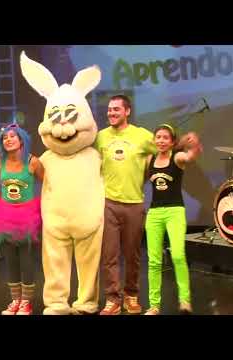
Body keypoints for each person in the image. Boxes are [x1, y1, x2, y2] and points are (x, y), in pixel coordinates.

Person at [94, 94, 157, 315]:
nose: (111, 113)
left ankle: (131, 296)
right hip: (109, 203)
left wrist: (147, 171)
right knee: (109, 255)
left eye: (116, 109)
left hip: (135, 203)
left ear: (127, 111)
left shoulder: (142, 136)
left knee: (133, 256)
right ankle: (112, 299)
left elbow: (163, 153)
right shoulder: (100, 136)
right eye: (109, 109)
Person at [144, 124, 202, 315]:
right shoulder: (149, 159)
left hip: (174, 212)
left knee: (177, 255)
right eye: (158, 137)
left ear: (172, 142)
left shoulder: (176, 158)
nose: (160, 140)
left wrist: (194, 144)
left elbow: (191, 155)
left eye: (165, 138)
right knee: (153, 261)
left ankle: (184, 301)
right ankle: (154, 305)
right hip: (154, 214)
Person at [0, 121, 44, 315]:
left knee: (26, 260)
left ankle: (27, 303)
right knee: (10, 260)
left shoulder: (32, 162)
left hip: (27, 216)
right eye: (5, 138)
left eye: (13, 136)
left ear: (22, 140)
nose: (8, 140)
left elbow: (48, 184)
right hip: (5, 216)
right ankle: (15, 301)